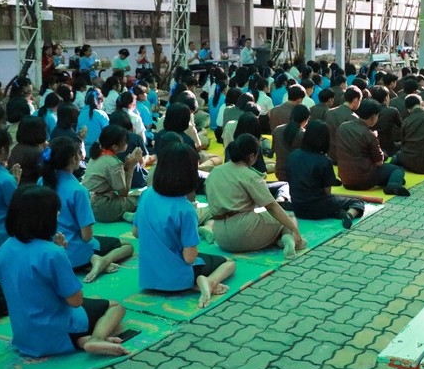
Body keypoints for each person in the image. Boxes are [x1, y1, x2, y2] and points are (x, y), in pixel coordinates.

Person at [0, 185, 129, 357]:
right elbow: (75, 301)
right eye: (55, 211)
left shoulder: (5, 248)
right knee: (115, 306)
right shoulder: (52, 253)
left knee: (91, 302)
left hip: (24, 334)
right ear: (44, 217)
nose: (58, 214)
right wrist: (62, 256)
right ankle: (96, 339)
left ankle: (80, 340)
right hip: (55, 331)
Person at [134, 142, 235, 309]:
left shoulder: (146, 194)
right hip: (178, 280)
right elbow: (190, 258)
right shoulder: (185, 209)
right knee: (229, 263)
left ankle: (198, 283)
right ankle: (208, 282)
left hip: (148, 278)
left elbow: (136, 232)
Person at [41, 137, 134, 282]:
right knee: (128, 246)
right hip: (74, 253)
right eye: (79, 153)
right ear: (73, 159)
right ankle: (101, 261)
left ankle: (88, 264)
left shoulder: (41, 182)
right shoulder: (78, 190)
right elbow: (87, 236)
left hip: (47, 252)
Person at [205, 134, 305, 257]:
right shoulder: (250, 176)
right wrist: (295, 230)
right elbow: (272, 207)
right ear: (252, 156)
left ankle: (282, 240)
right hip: (244, 232)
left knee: (272, 224)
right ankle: (290, 239)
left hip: (220, 236)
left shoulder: (214, 172)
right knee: (289, 218)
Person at [287, 120, 365, 229]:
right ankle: (349, 215)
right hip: (318, 208)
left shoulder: (293, 155)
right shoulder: (324, 161)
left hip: (297, 208)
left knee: (331, 203)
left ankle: (338, 212)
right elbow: (327, 192)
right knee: (357, 202)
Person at [336, 99, 409, 196]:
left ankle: (391, 181)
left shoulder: (343, 127)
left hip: (345, 179)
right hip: (364, 180)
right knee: (398, 170)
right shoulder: (369, 134)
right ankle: (393, 185)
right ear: (374, 117)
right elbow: (379, 162)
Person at [81, 125, 142, 223]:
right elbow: (123, 193)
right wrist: (131, 167)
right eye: (125, 142)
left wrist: (126, 166)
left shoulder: (96, 155)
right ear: (115, 147)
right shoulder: (114, 163)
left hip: (87, 205)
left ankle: (124, 214)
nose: (127, 144)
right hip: (101, 207)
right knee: (141, 199)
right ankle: (128, 215)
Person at [325, 85, 361, 164]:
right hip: (344, 159)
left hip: (329, 155)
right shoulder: (353, 118)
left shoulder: (330, 112)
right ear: (355, 100)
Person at [8, 116, 47, 186]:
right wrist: (47, 150)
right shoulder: (37, 153)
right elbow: (46, 173)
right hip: (31, 188)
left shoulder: (17, 147)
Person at [273, 104, 308, 182]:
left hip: (280, 171)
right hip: (298, 174)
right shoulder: (303, 134)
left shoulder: (277, 130)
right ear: (305, 120)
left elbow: (274, 150)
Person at [0, 129, 21, 247]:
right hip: (2, 238)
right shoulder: (5, 180)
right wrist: (15, 184)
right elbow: (16, 209)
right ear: (3, 150)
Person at [371, 85, 402, 158]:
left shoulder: (368, 109)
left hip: (372, 145)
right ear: (386, 98)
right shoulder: (392, 111)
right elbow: (402, 126)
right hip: (389, 147)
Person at [77, 88, 109, 153]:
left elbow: (77, 132)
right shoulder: (101, 114)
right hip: (98, 151)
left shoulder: (81, 113)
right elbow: (107, 132)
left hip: (82, 150)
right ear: (100, 101)